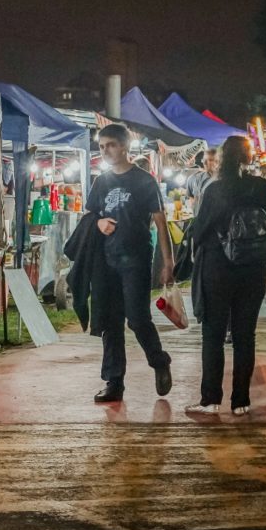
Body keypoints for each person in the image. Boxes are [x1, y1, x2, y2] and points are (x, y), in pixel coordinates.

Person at [185, 136, 266, 416]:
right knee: (245, 334)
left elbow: (199, 232)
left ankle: (211, 399)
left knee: (213, 333)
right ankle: (241, 401)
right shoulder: (261, 187)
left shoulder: (216, 190)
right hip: (254, 266)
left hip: (218, 267)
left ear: (223, 157)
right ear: (248, 157)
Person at [86, 123, 174, 404]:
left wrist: (167, 261)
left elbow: (161, 224)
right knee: (110, 322)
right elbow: (89, 217)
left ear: (124, 147)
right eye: (101, 147)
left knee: (136, 318)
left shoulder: (144, 180)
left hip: (136, 257)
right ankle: (114, 382)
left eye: (110, 145)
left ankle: (159, 361)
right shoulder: (101, 182)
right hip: (107, 259)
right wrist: (98, 221)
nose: (105, 151)